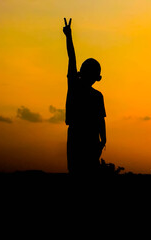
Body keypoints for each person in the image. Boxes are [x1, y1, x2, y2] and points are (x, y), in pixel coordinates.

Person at [63, 18, 107, 175]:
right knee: (78, 171)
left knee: (84, 171)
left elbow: (101, 119)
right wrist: (69, 37)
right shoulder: (75, 85)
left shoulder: (96, 95)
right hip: (79, 136)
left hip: (89, 138)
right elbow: (72, 58)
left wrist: (103, 140)